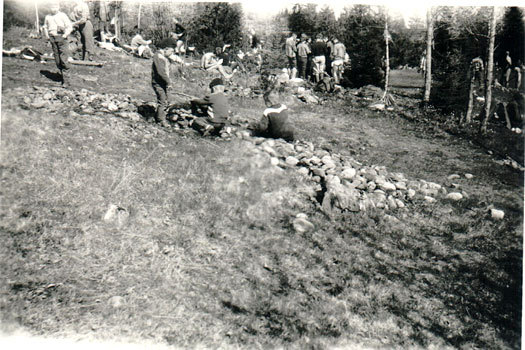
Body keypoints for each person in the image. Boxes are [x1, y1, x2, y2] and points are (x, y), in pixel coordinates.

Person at [43, 2, 73, 87]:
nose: (54, 8)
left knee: (63, 59)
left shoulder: (62, 15)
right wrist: (47, 36)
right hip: (52, 38)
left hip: (61, 38)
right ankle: (62, 75)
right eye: (52, 6)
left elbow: (69, 27)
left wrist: (64, 35)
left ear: (59, 7)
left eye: (55, 6)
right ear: (49, 7)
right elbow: (45, 26)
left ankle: (66, 81)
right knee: (57, 60)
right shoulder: (48, 17)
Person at [151, 47, 174, 127]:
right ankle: (161, 120)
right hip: (158, 83)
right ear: (166, 49)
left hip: (162, 82)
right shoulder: (159, 57)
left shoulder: (162, 56)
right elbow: (161, 72)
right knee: (162, 101)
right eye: (171, 51)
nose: (172, 53)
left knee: (166, 100)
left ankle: (162, 116)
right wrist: (168, 82)